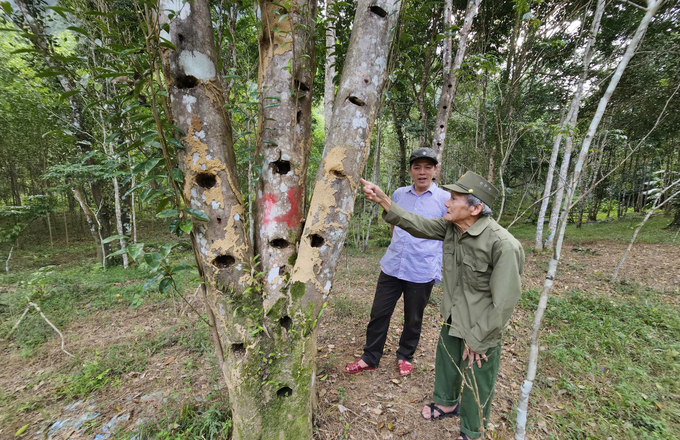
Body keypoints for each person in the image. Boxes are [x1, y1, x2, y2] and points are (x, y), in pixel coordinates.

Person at [360, 171, 525, 440]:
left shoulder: (503, 244)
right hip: (453, 313)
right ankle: (447, 403)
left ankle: (473, 431)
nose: (447, 203)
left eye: (455, 199)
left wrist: (480, 337)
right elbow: (416, 223)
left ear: (476, 208)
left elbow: (505, 300)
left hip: (481, 323)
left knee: (477, 378)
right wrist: (384, 200)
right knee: (448, 362)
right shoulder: (452, 228)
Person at [344, 148, 450, 377]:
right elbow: (395, 224)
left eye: (428, 167)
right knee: (379, 313)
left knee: (413, 317)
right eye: (417, 167)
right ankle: (370, 358)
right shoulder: (399, 194)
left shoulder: (445, 200)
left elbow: (445, 235)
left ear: (435, 170)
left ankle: (405, 356)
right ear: (410, 170)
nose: (422, 172)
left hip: (421, 269)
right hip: (393, 266)